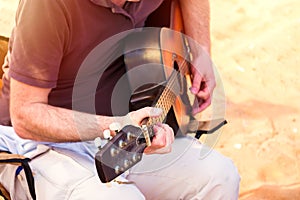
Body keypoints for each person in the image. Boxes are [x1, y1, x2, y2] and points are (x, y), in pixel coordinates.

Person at [0, 0, 240, 199]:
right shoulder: (46, 6)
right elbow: (25, 115)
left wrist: (201, 49)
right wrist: (115, 125)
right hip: (35, 142)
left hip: (122, 127)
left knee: (219, 177)